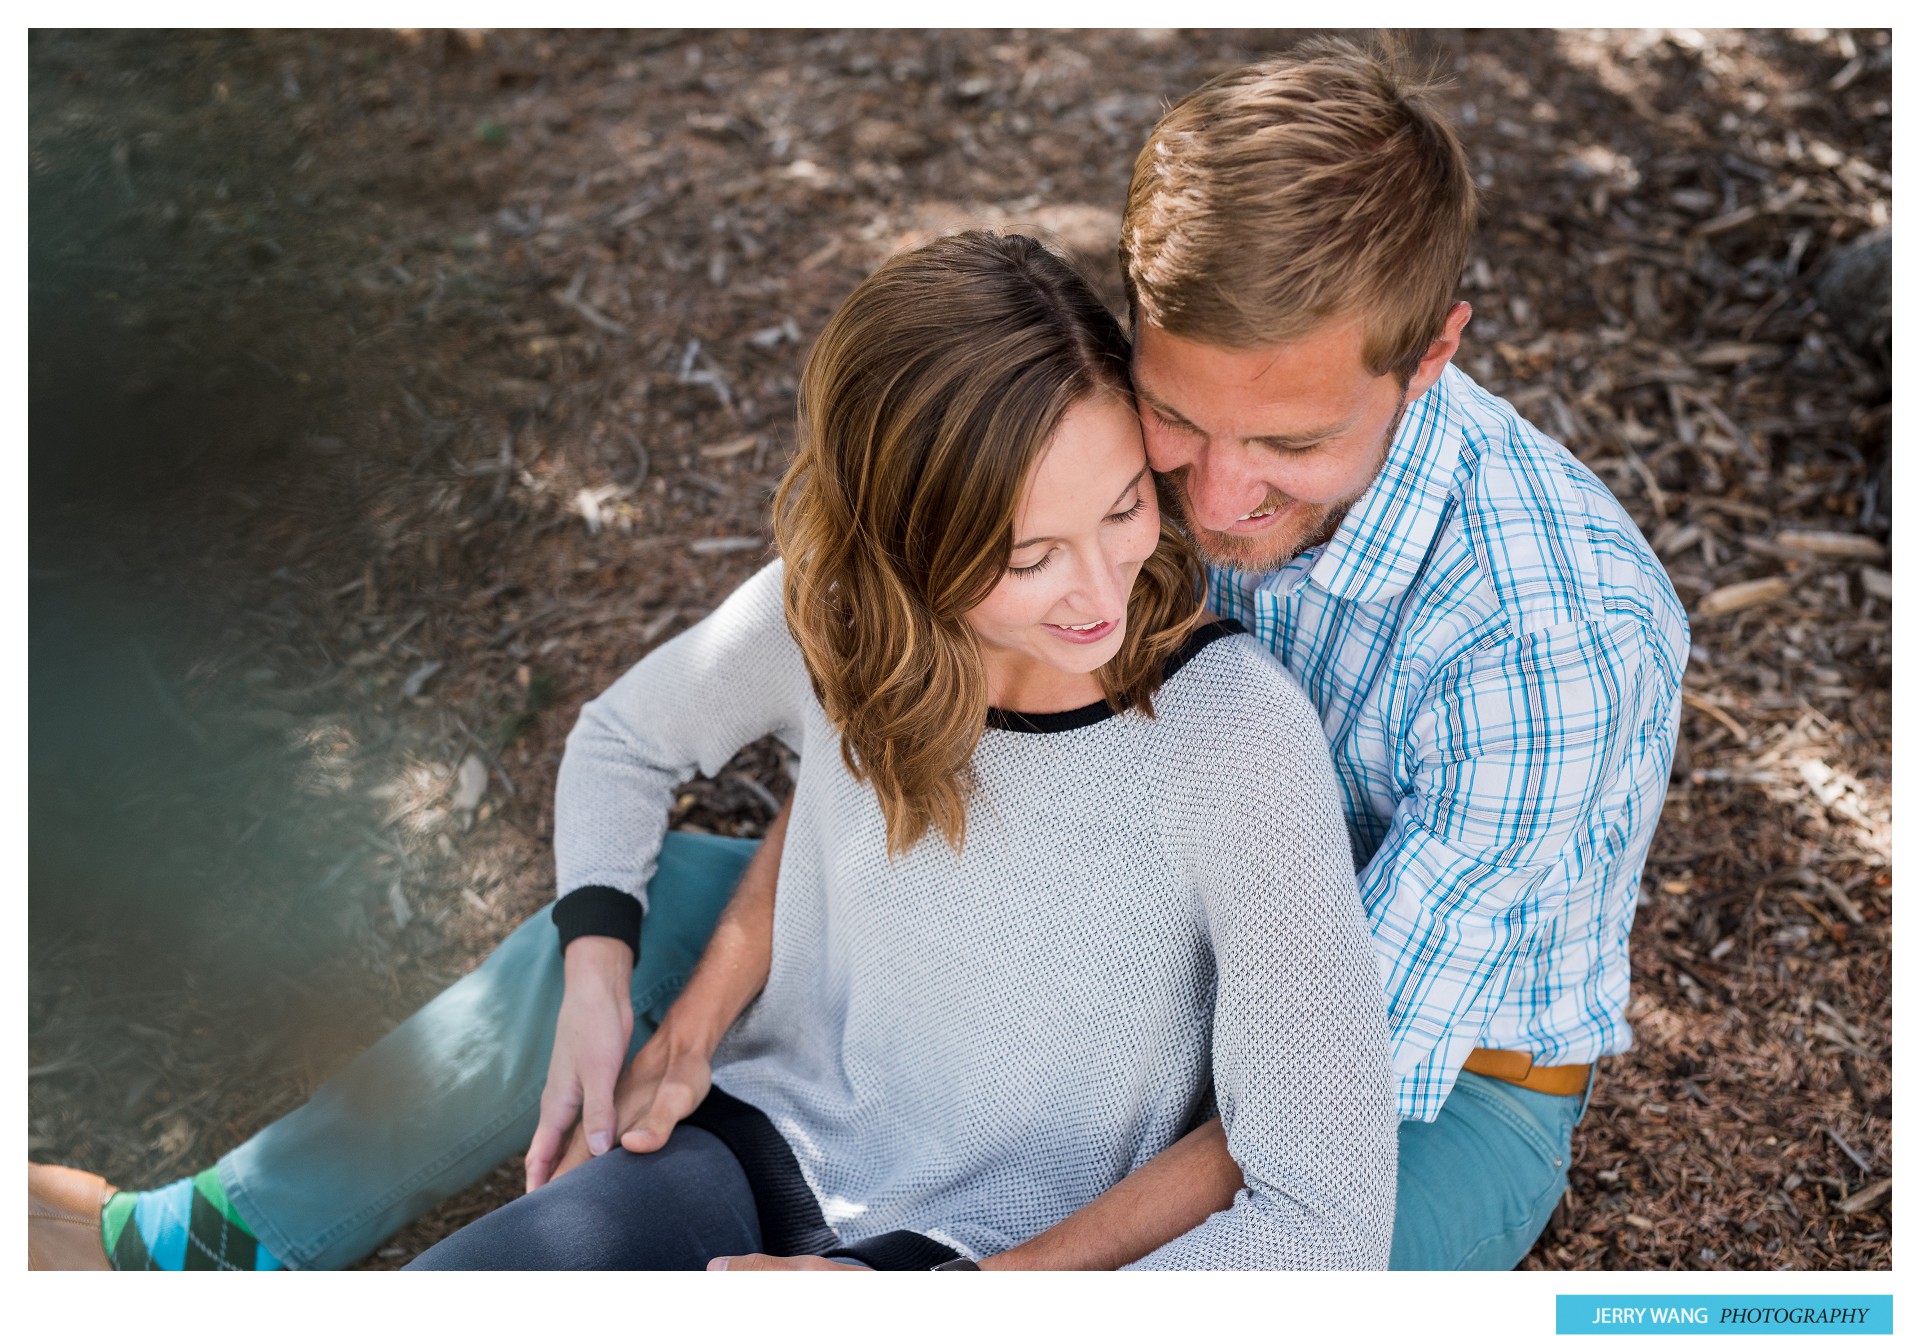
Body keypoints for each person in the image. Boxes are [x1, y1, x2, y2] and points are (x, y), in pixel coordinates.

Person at [29, 36, 1686, 1273]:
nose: (1214, 497)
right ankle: (197, 1239)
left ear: (1432, 352)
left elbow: (1314, 1111)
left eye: (1295, 447)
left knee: (1269, 1281)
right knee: (663, 910)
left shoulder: (1551, 641)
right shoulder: (1099, 460)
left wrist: (971, 1286)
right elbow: (900, 728)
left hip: (1425, 1075)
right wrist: (707, 992)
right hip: (1092, 917)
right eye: (1177, 423)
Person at [398, 229, 1392, 1269]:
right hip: (752, 1137)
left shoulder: (1235, 733)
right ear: (907, 547)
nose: (1103, 589)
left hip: (986, 1250)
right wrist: (598, 980)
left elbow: (1324, 1227)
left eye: (1124, 507)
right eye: (1031, 557)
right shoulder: (837, 614)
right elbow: (622, 738)